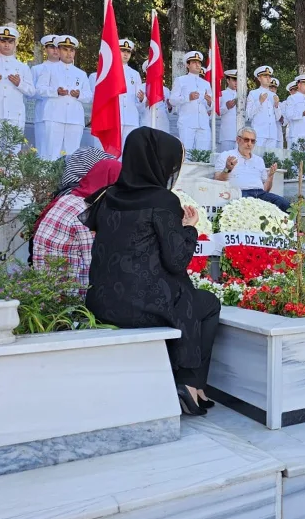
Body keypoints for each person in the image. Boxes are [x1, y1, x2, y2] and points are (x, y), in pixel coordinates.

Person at [83, 127, 220, 417]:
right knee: (207, 304)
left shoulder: (107, 196)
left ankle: (192, 386)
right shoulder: (162, 201)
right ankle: (190, 382)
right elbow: (176, 261)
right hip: (146, 306)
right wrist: (189, 229)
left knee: (186, 299)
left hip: (102, 303)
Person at [32, 159, 121, 296]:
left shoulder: (68, 198)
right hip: (69, 294)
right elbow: (93, 259)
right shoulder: (87, 211)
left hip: (44, 284)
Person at [36, 35, 92, 159]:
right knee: (51, 152)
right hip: (54, 116)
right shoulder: (49, 69)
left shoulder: (81, 73)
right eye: (65, 50)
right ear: (59, 50)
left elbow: (89, 96)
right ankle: (50, 178)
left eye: (71, 50)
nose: (69, 53)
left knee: (72, 153)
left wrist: (79, 95)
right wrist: (55, 91)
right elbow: (40, 89)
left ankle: (70, 178)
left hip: (74, 118)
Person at [213, 126, 290, 211]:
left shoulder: (259, 160)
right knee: (250, 207)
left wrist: (270, 176)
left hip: (260, 194)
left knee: (285, 204)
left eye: (252, 141)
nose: (249, 144)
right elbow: (218, 181)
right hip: (239, 193)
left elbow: (266, 190)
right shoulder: (226, 155)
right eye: (246, 140)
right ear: (238, 140)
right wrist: (227, 169)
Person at [169, 51, 212, 151]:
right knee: (187, 153)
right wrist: (188, 97)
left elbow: (211, 106)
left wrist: (210, 102)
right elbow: (172, 100)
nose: (198, 65)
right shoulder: (180, 80)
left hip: (203, 123)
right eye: (194, 62)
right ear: (187, 65)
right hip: (187, 123)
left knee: (203, 153)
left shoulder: (206, 84)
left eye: (199, 63)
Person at [117, 38, 144, 145]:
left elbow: (139, 98)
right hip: (116, 116)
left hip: (131, 117)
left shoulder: (135, 74)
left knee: (129, 148)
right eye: (122, 50)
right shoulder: (109, 71)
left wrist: (142, 98)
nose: (126, 54)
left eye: (128, 51)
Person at [282, 74, 305, 147]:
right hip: (296, 136)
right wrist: (302, 114)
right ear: (299, 84)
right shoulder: (291, 98)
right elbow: (289, 115)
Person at [218, 70, 241, 151]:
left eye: (238, 80)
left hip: (240, 134)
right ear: (228, 80)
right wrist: (226, 107)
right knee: (225, 159)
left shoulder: (242, 95)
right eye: (234, 80)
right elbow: (217, 113)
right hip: (227, 134)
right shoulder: (222, 94)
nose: (236, 82)